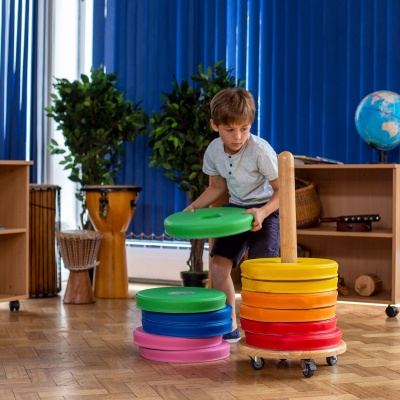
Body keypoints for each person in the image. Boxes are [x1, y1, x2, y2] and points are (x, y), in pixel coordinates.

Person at [185, 87, 280, 342]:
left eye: (244, 128)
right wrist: (193, 208)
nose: (238, 136)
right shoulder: (214, 151)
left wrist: (262, 212)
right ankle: (230, 326)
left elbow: (283, 192)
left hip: (265, 211)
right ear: (215, 125)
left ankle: (264, 331)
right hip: (235, 211)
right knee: (218, 266)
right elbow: (217, 187)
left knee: (261, 272)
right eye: (230, 130)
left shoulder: (260, 151)